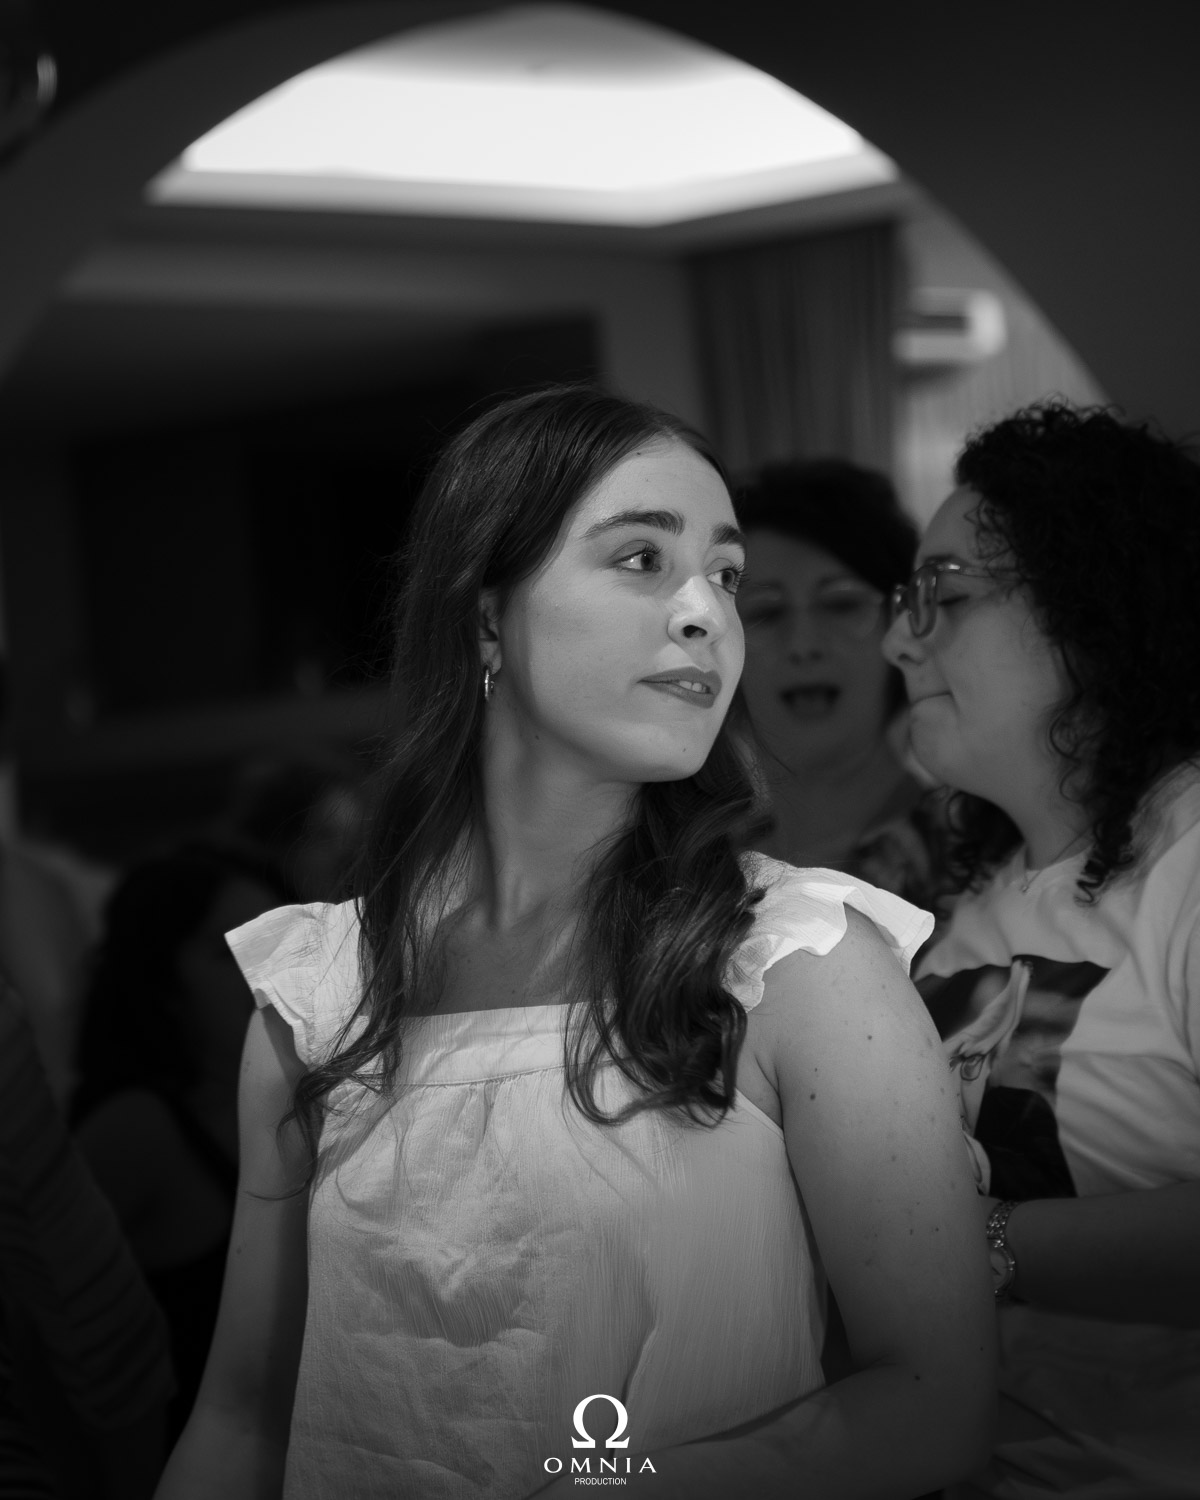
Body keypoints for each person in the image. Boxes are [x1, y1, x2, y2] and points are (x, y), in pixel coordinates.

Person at [156, 385, 994, 1500]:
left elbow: (934, 1400)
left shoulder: (797, 961)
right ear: (485, 617)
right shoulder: (318, 991)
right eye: (643, 559)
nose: (706, 614)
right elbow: (242, 1422)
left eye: (725, 574)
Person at [882, 401, 1200, 1498]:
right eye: (906, 600)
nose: (898, 642)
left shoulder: (1189, 858)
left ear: (1092, 603)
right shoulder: (974, 901)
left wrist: (976, 1248)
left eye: (947, 592)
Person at [72, 843, 290, 1441]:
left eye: (280, 944)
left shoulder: (303, 1111)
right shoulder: (140, 1129)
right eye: (230, 954)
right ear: (163, 977)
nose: (267, 973)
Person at [736, 461, 935, 904]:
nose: (803, 644)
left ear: (900, 626)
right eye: (767, 612)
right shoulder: (700, 871)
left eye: (841, 604)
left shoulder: (967, 863)